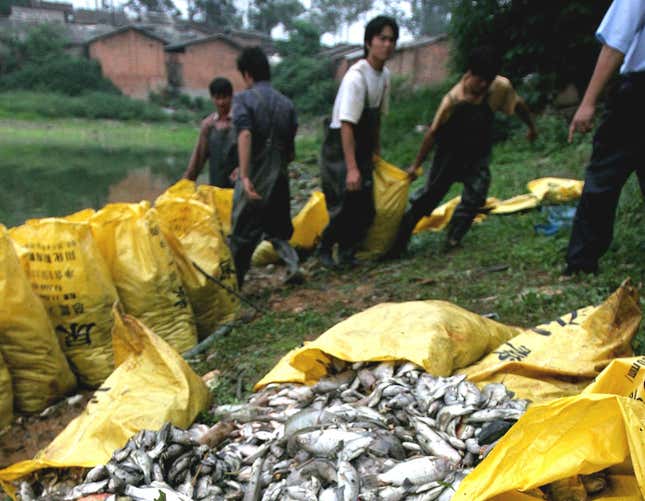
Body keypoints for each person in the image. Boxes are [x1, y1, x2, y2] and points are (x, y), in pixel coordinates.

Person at [386, 47, 537, 258]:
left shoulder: (499, 87)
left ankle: (453, 237)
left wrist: (531, 127)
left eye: (489, 80)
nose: (484, 85)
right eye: (480, 80)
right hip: (448, 155)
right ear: (469, 74)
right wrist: (416, 165)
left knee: (476, 195)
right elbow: (432, 134)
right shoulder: (452, 100)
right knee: (427, 197)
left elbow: (518, 104)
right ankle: (397, 243)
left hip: (478, 152)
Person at [565, 0, 645, 275]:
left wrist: (588, 102)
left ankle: (581, 262)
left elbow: (616, 42)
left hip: (638, 94)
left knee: (604, 174)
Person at [317, 15, 399, 269]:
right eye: (381, 39)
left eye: (392, 40)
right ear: (368, 42)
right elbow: (347, 124)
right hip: (340, 146)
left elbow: (375, 120)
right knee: (343, 203)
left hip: (362, 144)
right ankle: (325, 247)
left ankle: (348, 252)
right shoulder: (357, 77)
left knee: (364, 205)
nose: (387, 45)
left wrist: (376, 153)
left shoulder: (384, 75)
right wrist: (351, 168)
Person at [229, 47, 302, 288]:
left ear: (247, 74)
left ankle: (236, 282)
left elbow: (245, 134)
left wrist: (246, 175)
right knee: (279, 231)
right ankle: (293, 266)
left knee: (242, 233)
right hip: (279, 175)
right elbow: (291, 150)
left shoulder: (243, 99)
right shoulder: (287, 104)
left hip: (256, 176)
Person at [183, 77, 238, 188]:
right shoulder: (208, 125)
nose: (221, 102)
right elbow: (198, 160)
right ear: (212, 98)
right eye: (217, 98)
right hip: (216, 187)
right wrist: (184, 184)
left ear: (231, 97)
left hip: (239, 188)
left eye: (224, 98)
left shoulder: (240, 122)